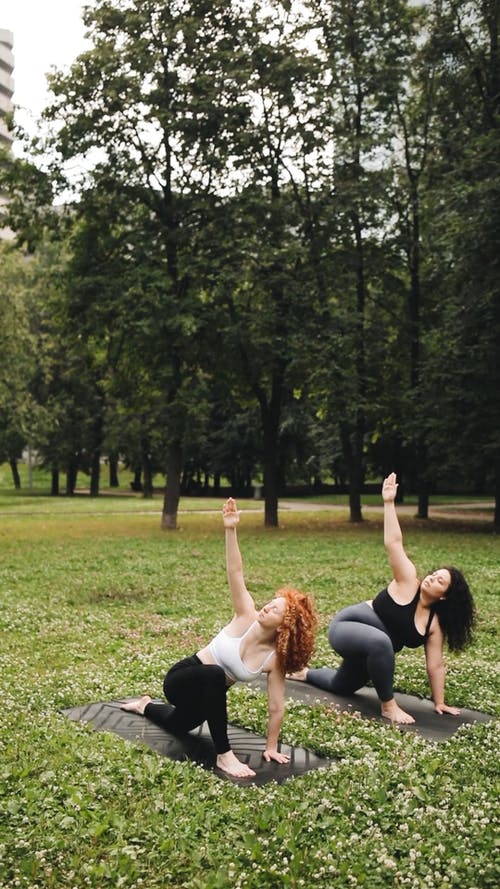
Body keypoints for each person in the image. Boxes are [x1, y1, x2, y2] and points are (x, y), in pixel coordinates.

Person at [122, 497, 317, 777]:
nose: (268, 605)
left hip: (207, 699)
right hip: (183, 677)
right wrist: (230, 528)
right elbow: (235, 572)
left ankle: (145, 705)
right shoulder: (245, 615)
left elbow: (276, 706)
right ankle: (225, 756)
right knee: (215, 674)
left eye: (277, 609)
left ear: (284, 626)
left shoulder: (274, 659)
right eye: (272, 601)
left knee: (179, 724)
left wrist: (271, 746)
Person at [289, 472, 475, 724]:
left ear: (445, 597)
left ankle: (304, 673)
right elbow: (394, 543)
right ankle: (388, 706)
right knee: (382, 641)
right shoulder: (409, 580)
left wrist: (439, 702)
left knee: (341, 685)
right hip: (347, 627)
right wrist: (388, 502)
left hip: (373, 650)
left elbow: (436, 665)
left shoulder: (433, 624)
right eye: (434, 574)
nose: (431, 578)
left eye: (439, 581)